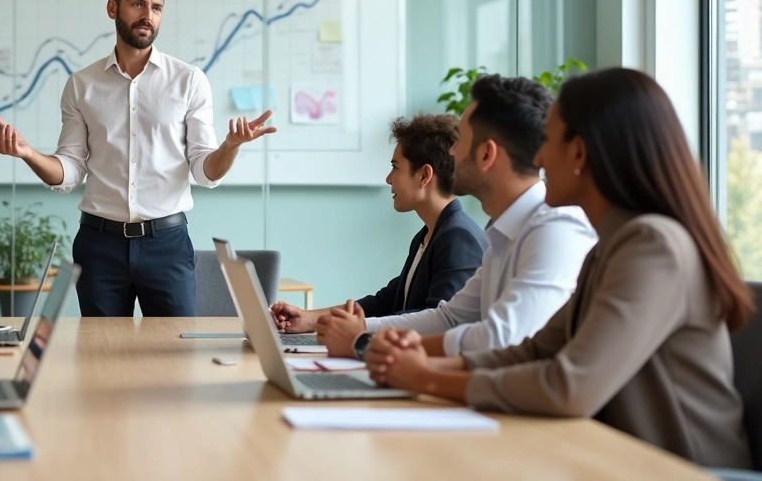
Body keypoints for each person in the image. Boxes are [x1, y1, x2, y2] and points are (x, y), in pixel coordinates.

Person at [365, 68, 754, 469]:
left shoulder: (652, 247)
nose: (538, 159)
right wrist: (419, 363)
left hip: (687, 471)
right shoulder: (612, 245)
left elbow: (570, 385)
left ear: (579, 153)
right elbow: (535, 350)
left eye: (548, 141)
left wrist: (427, 377)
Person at [0, 0, 275, 317]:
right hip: (98, 246)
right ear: (112, 8)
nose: (148, 15)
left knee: (175, 347)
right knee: (101, 350)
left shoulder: (189, 81)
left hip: (167, 244)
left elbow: (205, 172)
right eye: (137, 4)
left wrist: (230, 146)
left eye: (157, 7)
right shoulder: (81, 85)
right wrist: (28, 154)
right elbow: (69, 171)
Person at [312, 75, 597, 358]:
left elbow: (502, 338)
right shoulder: (504, 233)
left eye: (459, 140)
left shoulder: (556, 228)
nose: (451, 151)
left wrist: (364, 342)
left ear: (486, 154)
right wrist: (361, 330)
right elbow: (450, 318)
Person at [270, 113, 486, 330]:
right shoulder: (427, 236)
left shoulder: (459, 238)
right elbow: (386, 302)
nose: (388, 179)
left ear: (424, 176)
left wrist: (356, 329)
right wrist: (310, 319)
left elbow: (440, 324)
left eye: (395, 167)